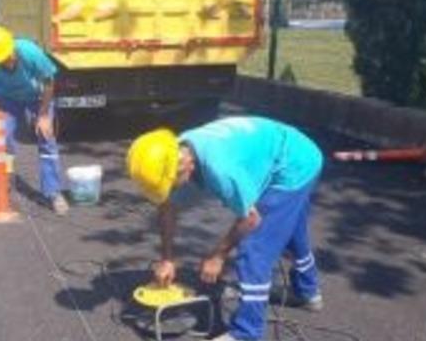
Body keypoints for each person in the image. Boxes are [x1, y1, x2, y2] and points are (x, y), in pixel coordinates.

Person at [126, 116, 324, 341]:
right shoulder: (174, 150)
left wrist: (218, 256)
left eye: (170, 183)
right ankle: (306, 292)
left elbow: (251, 219)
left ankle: (246, 333)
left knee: (255, 247)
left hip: (294, 165)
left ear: (184, 165)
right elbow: (168, 207)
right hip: (283, 150)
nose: (169, 189)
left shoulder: (220, 170)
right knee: (289, 229)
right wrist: (167, 258)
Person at [0, 26, 69, 215]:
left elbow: (48, 82)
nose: (7, 61)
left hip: (38, 97)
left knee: (47, 138)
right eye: (1, 60)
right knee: (3, 141)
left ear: (12, 47)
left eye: (8, 55)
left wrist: (43, 116)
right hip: (9, 100)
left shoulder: (29, 51)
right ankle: (2, 191)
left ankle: (53, 192)